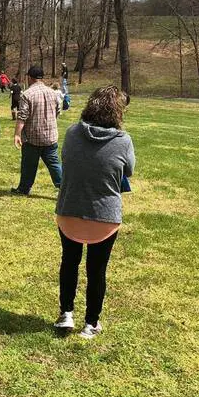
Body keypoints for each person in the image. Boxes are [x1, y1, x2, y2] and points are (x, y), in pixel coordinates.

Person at [53, 85, 135, 339]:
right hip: (105, 216)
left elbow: (67, 159)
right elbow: (128, 170)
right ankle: (91, 322)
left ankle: (66, 313)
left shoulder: (72, 132)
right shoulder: (123, 141)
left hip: (69, 210)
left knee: (70, 262)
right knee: (97, 269)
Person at [11, 65, 62, 195]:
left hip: (32, 137)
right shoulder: (53, 92)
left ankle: (24, 189)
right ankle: (64, 188)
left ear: (30, 77)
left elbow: (22, 116)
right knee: (54, 165)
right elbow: (58, 111)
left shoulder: (27, 94)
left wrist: (17, 134)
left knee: (28, 165)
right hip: (50, 136)